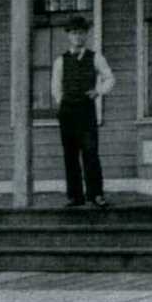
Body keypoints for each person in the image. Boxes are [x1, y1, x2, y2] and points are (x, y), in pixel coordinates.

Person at [51, 14, 114, 208]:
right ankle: (74, 196)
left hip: (86, 111)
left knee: (90, 152)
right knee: (70, 154)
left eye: (81, 33)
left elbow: (110, 77)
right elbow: (55, 87)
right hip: (68, 112)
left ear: (86, 35)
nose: (78, 37)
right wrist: (64, 101)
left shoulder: (95, 57)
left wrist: (99, 91)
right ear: (69, 36)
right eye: (74, 33)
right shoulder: (60, 61)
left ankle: (96, 194)